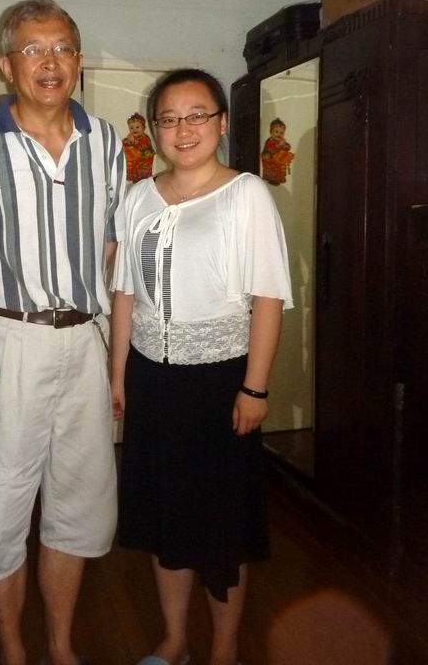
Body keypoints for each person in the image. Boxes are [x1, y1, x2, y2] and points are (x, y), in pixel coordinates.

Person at [0, 0, 126, 665]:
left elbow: (112, 251)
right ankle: (14, 651)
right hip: (7, 341)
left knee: (79, 505)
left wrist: (114, 356)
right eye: (33, 49)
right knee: (2, 506)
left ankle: (61, 646)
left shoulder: (106, 141)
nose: (49, 62)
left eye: (62, 48)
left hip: (85, 340)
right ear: (5, 65)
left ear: (78, 61)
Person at [109, 68, 292, 665]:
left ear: (221, 122)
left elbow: (268, 297)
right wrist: (117, 376)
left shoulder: (246, 194)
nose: (182, 130)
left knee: (221, 524)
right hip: (151, 378)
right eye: (168, 119)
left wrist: (255, 388)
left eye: (196, 116)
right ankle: (175, 640)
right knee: (165, 516)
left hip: (220, 381)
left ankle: (224, 649)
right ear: (154, 128)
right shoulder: (138, 196)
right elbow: (125, 293)